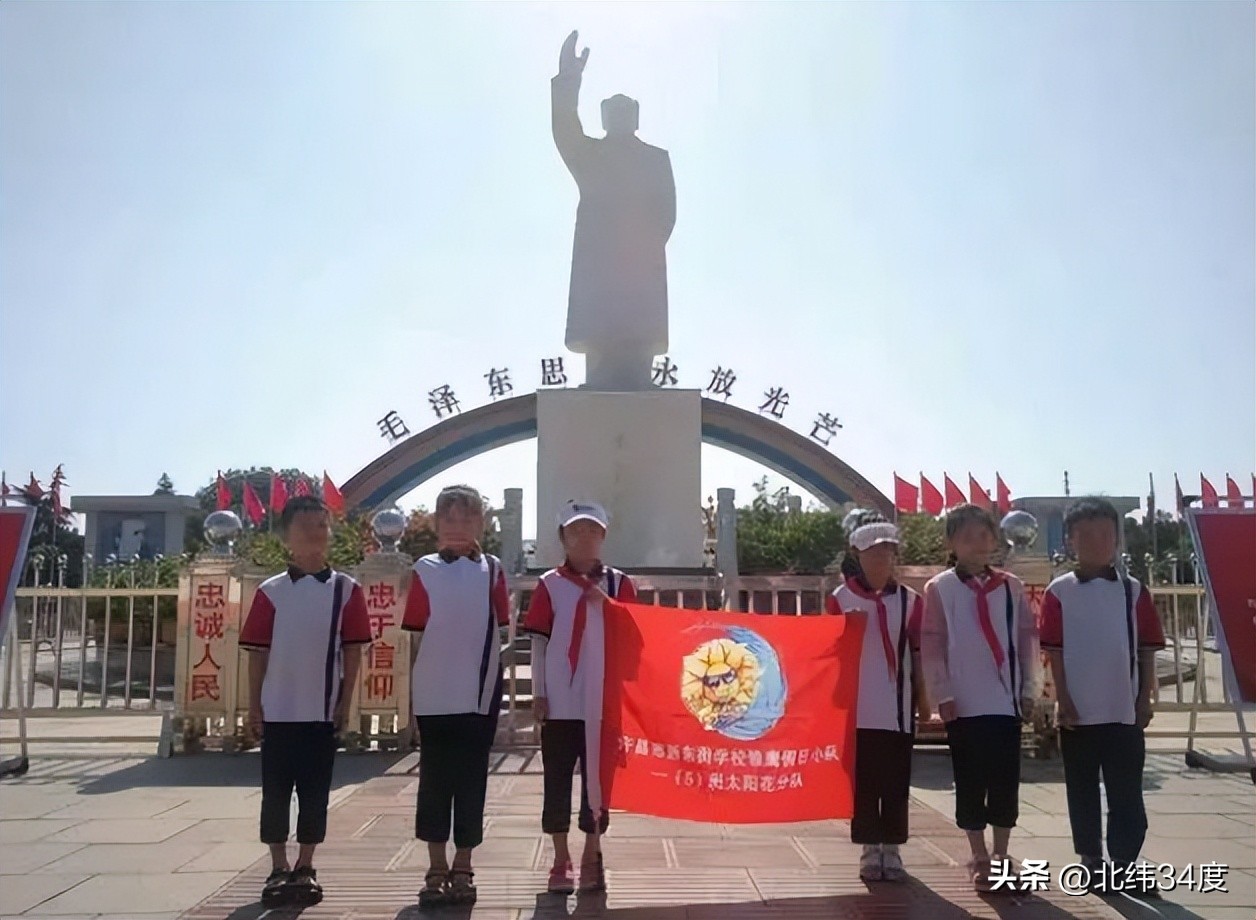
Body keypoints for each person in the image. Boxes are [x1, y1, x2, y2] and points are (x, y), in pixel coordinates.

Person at [239, 495, 372, 907]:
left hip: (321, 711)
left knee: (316, 792)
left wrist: (344, 704)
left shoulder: (346, 591)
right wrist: (254, 706)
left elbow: (353, 652)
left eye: (321, 525)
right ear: (286, 538)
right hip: (279, 710)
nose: (314, 534)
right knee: (275, 792)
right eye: (304, 527)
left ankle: (307, 864)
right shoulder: (270, 592)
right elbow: (257, 654)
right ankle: (278, 866)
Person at [1041, 497, 1165, 895]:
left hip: (1122, 709)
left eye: (1106, 534)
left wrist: (1143, 696)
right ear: (1070, 539)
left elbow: (1147, 647)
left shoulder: (1133, 591)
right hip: (1078, 712)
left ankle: (1125, 862)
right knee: (1082, 790)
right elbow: (1054, 652)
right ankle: (1092, 861)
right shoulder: (1059, 592)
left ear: (1118, 538)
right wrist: (1064, 699)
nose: (1098, 542)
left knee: (1127, 792)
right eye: (1087, 534)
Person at [921, 504, 1040, 891]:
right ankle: (978, 855)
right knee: (970, 780)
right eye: (967, 537)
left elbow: (1026, 639)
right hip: (964, 702)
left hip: (1004, 702)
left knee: (1005, 780)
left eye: (984, 536)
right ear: (951, 542)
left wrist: (1028, 689)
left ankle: (1003, 854)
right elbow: (933, 643)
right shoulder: (940, 588)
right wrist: (942, 693)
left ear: (995, 540)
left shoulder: (1010, 586)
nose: (977, 544)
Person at [401, 485, 510, 908]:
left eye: (467, 518)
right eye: (450, 518)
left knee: (471, 782)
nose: (458, 526)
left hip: (478, 692)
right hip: (433, 692)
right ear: (436, 524)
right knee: (433, 781)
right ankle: (434, 865)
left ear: (481, 523)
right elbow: (415, 636)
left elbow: (502, 629)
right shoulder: (423, 569)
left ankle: (463, 863)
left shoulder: (493, 570)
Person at [522, 500, 637, 895]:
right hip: (560, 699)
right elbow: (538, 642)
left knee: (597, 784)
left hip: (602, 700)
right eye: (576, 531)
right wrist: (538, 692)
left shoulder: (620, 584)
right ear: (563, 538)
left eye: (591, 530)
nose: (584, 537)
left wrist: (612, 609)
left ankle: (592, 852)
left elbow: (636, 638)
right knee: (556, 779)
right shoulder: (549, 584)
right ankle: (559, 857)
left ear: (604, 536)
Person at [826, 513, 927, 882]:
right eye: (873, 553)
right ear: (858, 555)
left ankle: (893, 847)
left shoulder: (911, 601)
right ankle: (870, 848)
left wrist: (923, 697)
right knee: (865, 781)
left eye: (887, 553)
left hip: (898, 708)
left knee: (895, 781)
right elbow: (829, 651)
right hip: (858, 708)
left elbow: (917, 651)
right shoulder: (840, 598)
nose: (881, 560)